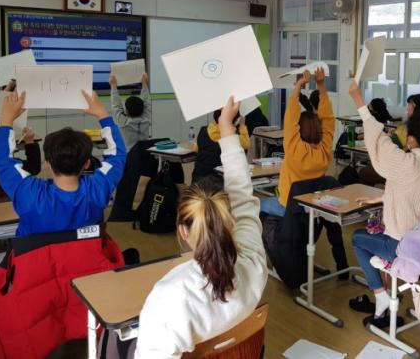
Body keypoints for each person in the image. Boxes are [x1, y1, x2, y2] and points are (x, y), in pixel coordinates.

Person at [134, 97, 267, 358]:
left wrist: (224, 125)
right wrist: (227, 127)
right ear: (230, 221)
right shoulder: (254, 262)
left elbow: (241, 197)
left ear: (183, 231)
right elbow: (242, 195)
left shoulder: (168, 299)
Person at [347, 81, 420, 328]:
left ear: (411, 140)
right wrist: (381, 198)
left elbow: (379, 139)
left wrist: (358, 99)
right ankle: (387, 291)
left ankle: (380, 295)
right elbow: (413, 192)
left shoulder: (406, 163)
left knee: (358, 238)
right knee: (375, 232)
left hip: (405, 247)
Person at [0, 90, 126, 236]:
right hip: (86, 251)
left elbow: (3, 160)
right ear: (87, 163)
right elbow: (118, 155)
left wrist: (6, 118)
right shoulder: (98, 188)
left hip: (36, 251)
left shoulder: (28, 192)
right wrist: (103, 114)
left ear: (47, 164)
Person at [260, 67, 334, 217]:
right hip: (312, 207)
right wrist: (321, 85)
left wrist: (298, 86)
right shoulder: (325, 149)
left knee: (256, 203)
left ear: (299, 129)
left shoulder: (295, 148)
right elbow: (328, 119)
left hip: (287, 206)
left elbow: (289, 120)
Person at [192, 108, 250, 183]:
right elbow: (246, 144)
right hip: (218, 183)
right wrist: (242, 125)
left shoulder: (203, 130)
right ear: (235, 121)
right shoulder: (232, 137)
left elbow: (195, 149)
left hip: (198, 179)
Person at [110, 72, 152, 151]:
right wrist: (144, 84)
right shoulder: (146, 119)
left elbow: (116, 106)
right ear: (143, 109)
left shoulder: (124, 122)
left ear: (126, 111)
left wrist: (113, 86)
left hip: (130, 156)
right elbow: (147, 103)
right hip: (146, 154)